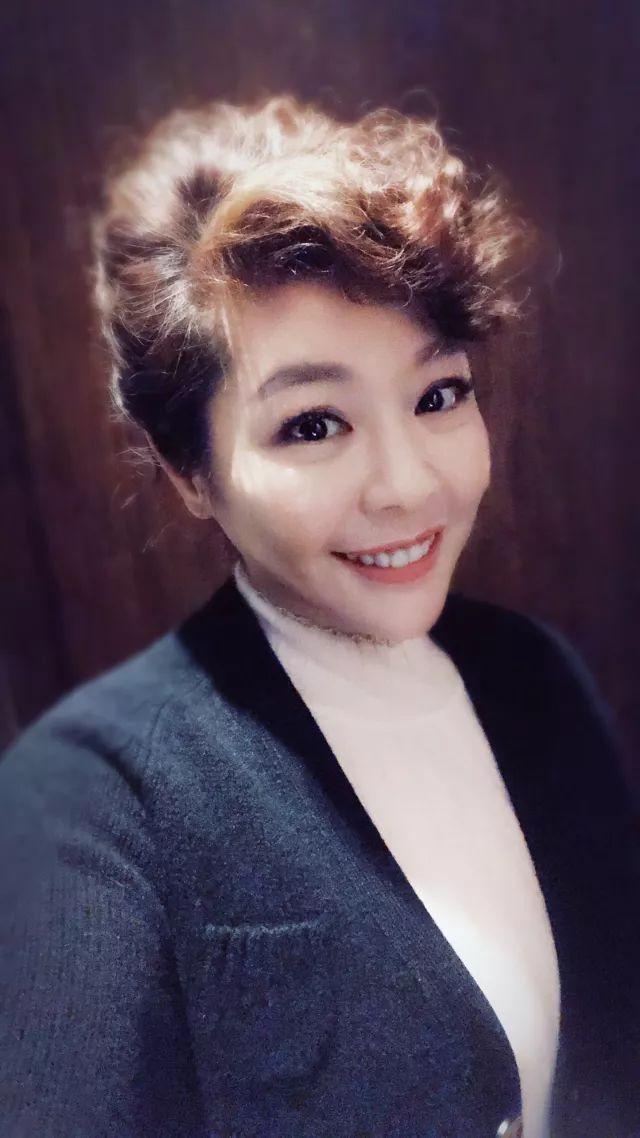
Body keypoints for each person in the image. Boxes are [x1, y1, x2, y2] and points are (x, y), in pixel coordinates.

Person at [0, 94, 638, 1138]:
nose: (408, 486)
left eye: (438, 394)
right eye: (311, 425)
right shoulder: (88, 799)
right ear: (190, 471)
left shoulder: (535, 676)